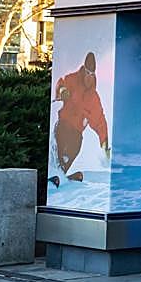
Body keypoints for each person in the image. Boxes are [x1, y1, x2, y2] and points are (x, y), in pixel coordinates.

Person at [50, 51, 109, 185]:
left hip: (76, 133)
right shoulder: (72, 79)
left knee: (74, 147)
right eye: (87, 72)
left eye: (92, 74)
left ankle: (61, 174)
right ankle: (58, 171)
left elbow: (100, 120)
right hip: (63, 125)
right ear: (84, 69)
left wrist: (104, 142)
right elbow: (61, 83)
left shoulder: (93, 97)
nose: (89, 76)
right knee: (60, 149)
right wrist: (62, 91)